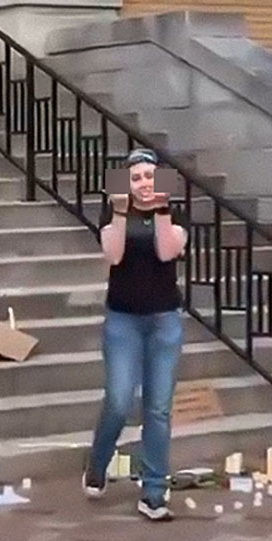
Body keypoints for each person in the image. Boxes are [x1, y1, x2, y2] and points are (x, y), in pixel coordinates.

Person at [82, 148, 188, 521]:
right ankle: (98, 462)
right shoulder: (112, 211)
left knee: (157, 407)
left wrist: (160, 209)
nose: (144, 184)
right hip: (123, 320)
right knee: (119, 399)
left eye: (150, 177)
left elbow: (167, 252)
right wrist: (122, 210)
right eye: (137, 178)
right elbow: (112, 254)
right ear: (126, 183)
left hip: (164, 320)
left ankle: (154, 491)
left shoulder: (172, 210)